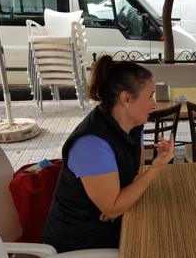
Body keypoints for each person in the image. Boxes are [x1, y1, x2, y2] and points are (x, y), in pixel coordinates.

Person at [43, 55, 174, 252]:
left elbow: (133, 173)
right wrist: (156, 168)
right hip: (79, 245)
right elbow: (112, 207)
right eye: (150, 96)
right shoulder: (91, 144)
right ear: (126, 99)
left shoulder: (133, 124)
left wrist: (118, 204)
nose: (154, 104)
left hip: (113, 226)